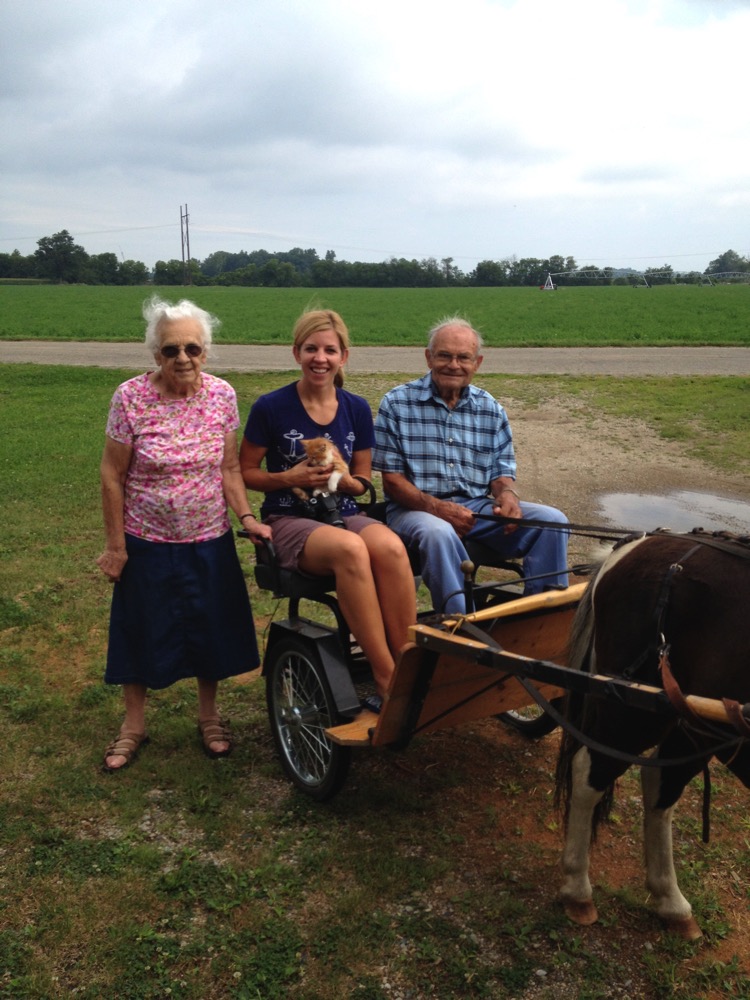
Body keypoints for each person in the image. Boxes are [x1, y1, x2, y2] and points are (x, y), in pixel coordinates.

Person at [97, 296, 272, 771]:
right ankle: (133, 725)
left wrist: (247, 518)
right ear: (155, 353)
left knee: (208, 624)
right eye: (170, 349)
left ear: (205, 352)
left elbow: (230, 468)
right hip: (146, 538)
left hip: (208, 536)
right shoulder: (130, 397)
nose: (182, 358)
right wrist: (116, 546)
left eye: (192, 348)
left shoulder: (222, 395)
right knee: (139, 627)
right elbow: (112, 474)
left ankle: (209, 716)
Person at [239, 308, 416, 708]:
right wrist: (289, 477)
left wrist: (346, 479)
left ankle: (408, 661)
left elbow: (363, 480)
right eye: (311, 349)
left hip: (343, 511)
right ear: (296, 353)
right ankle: (386, 678)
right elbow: (245, 472)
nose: (320, 358)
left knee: (391, 548)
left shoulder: (356, 408)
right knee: (350, 549)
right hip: (288, 517)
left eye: (330, 350)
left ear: (343, 357)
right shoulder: (271, 407)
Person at [372, 316, 570, 614]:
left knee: (552, 521)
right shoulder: (397, 403)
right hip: (414, 511)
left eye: (463, 357)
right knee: (438, 532)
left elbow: (501, 473)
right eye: (444, 356)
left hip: (476, 510)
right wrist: (438, 508)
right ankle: (461, 623)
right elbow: (392, 482)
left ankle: (543, 616)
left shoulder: (490, 408)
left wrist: (507, 495)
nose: (454, 365)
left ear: (477, 363)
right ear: (428, 358)